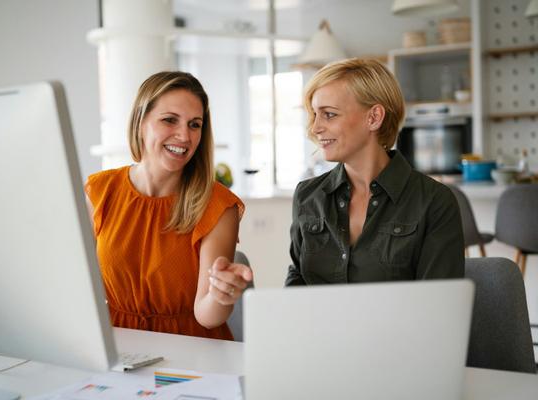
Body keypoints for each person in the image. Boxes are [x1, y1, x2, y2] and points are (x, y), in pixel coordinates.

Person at [85, 71, 252, 340]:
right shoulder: (100, 191)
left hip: (192, 349)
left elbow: (207, 316)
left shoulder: (219, 205)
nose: (184, 136)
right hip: (119, 346)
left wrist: (222, 295)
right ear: (141, 123)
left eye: (194, 124)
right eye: (170, 120)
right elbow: (81, 288)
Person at [283, 58, 465, 285]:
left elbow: (439, 307)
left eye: (329, 114)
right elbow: (298, 282)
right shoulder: (307, 196)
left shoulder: (434, 202)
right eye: (315, 115)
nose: (315, 127)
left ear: (374, 117)